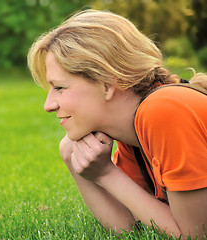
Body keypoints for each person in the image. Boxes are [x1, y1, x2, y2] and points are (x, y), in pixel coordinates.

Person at [27, 9, 207, 239]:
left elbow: (194, 235)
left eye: (59, 88)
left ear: (107, 84)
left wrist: (106, 174)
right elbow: (129, 229)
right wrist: (80, 166)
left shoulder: (164, 110)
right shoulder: (131, 130)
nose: (48, 105)